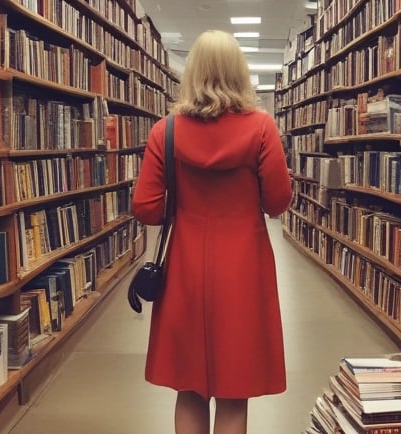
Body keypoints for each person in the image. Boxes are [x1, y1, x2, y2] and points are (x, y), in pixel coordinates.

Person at [130, 29, 292, 434]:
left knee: (189, 389)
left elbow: (146, 209)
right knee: (235, 392)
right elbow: (277, 203)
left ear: (192, 74)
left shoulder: (164, 131)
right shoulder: (261, 128)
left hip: (185, 267)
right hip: (244, 269)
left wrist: (185, 205)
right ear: (240, 73)